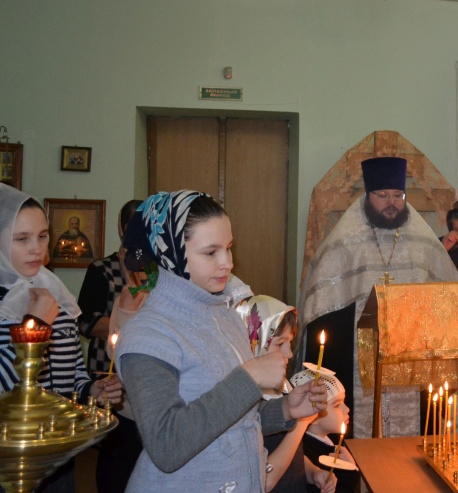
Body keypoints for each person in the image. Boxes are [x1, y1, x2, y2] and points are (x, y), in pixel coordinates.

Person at [115, 190, 329, 492]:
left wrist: (285, 411)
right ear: (171, 252)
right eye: (210, 252)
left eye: (228, 248)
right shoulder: (148, 335)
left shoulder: (225, 318)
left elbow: (236, 421)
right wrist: (249, 377)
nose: (227, 262)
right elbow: (166, 445)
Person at [298, 157, 458, 438]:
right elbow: (322, 305)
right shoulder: (343, 242)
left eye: (398, 195)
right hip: (358, 351)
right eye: (383, 195)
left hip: (412, 353)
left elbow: (446, 299)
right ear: (368, 196)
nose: (391, 202)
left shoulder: (423, 244)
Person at [0, 184, 122, 492]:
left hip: (57, 454)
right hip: (9, 461)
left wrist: (92, 389)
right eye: (21, 239)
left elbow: (71, 377)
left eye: (42, 236)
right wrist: (37, 323)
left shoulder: (53, 291)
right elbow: (7, 386)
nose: (36, 249)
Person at [76, 198, 143, 493]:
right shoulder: (102, 269)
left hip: (140, 374)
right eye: (132, 226)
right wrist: (125, 320)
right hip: (107, 370)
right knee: (115, 447)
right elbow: (86, 323)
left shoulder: (154, 271)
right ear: (121, 228)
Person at [247, 296, 336, 493]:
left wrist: (313, 473)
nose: (289, 353)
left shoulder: (281, 388)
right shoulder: (246, 402)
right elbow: (266, 479)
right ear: (254, 344)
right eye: (280, 344)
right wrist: (301, 423)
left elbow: (290, 454)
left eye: (290, 342)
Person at [291, 369, 360, 493]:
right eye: (337, 405)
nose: (347, 409)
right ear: (313, 414)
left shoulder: (324, 443)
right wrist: (351, 470)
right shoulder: (311, 456)